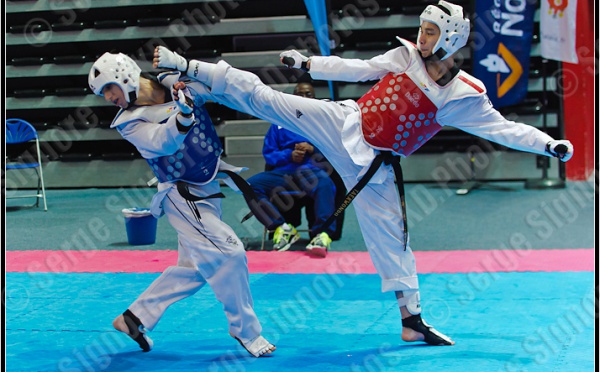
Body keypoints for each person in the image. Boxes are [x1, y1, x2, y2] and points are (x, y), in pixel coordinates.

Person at [152, 0, 573, 346]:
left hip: (376, 167)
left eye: (430, 32)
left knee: (395, 240)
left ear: (452, 38)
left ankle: (412, 322)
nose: (422, 37)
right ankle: (190, 69)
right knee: (267, 99)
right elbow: (356, 69)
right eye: (422, 29)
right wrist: (308, 64)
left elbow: (504, 129)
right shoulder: (405, 55)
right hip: (344, 122)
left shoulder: (466, 95)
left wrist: (548, 145)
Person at [87, 52, 275, 357]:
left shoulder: (173, 81)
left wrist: (187, 69)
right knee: (230, 253)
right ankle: (247, 331)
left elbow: (217, 87)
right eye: (103, 93)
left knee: (199, 266)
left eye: (109, 87)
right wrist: (183, 116)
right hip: (181, 197)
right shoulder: (129, 122)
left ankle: (134, 318)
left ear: (124, 75)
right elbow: (164, 142)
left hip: (207, 184)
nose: (108, 97)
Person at [247, 82, 337, 256]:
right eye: (300, 94)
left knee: (326, 183)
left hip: (311, 172)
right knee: (250, 185)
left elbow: (335, 151)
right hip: (283, 173)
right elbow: (269, 153)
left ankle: (322, 234)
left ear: (314, 97)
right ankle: (282, 228)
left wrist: (313, 150)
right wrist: (289, 155)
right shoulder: (279, 122)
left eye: (308, 94)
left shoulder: (322, 122)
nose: (304, 98)